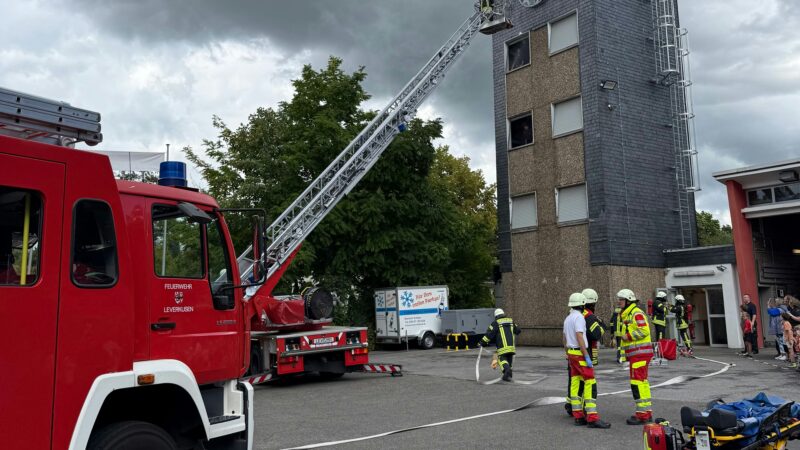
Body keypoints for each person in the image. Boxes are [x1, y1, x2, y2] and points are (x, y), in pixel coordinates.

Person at [563, 292, 611, 429]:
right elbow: (579, 336)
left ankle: (578, 416)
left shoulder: (568, 318)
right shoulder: (579, 317)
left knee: (575, 384)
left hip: (571, 354)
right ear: (583, 304)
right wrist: (586, 355)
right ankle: (592, 418)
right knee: (590, 383)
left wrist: (567, 353)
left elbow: (564, 339)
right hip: (579, 353)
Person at [617, 288, 655, 425]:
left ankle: (642, 415)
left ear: (628, 301)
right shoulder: (629, 313)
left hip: (640, 354)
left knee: (637, 383)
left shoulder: (635, 313)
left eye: (621, 300)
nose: (619, 302)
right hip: (639, 354)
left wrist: (626, 336)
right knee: (642, 382)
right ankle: (646, 412)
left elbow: (644, 330)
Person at [479, 308, 521, 381]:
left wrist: (482, 343)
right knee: (508, 361)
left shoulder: (496, 323)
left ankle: (507, 371)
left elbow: (489, 334)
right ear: (503, 314)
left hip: (502, 347)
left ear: (496, 316)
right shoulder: (511, 320)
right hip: (511, 347)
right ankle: (508, 376)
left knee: (501, 358)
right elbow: (518, 330)